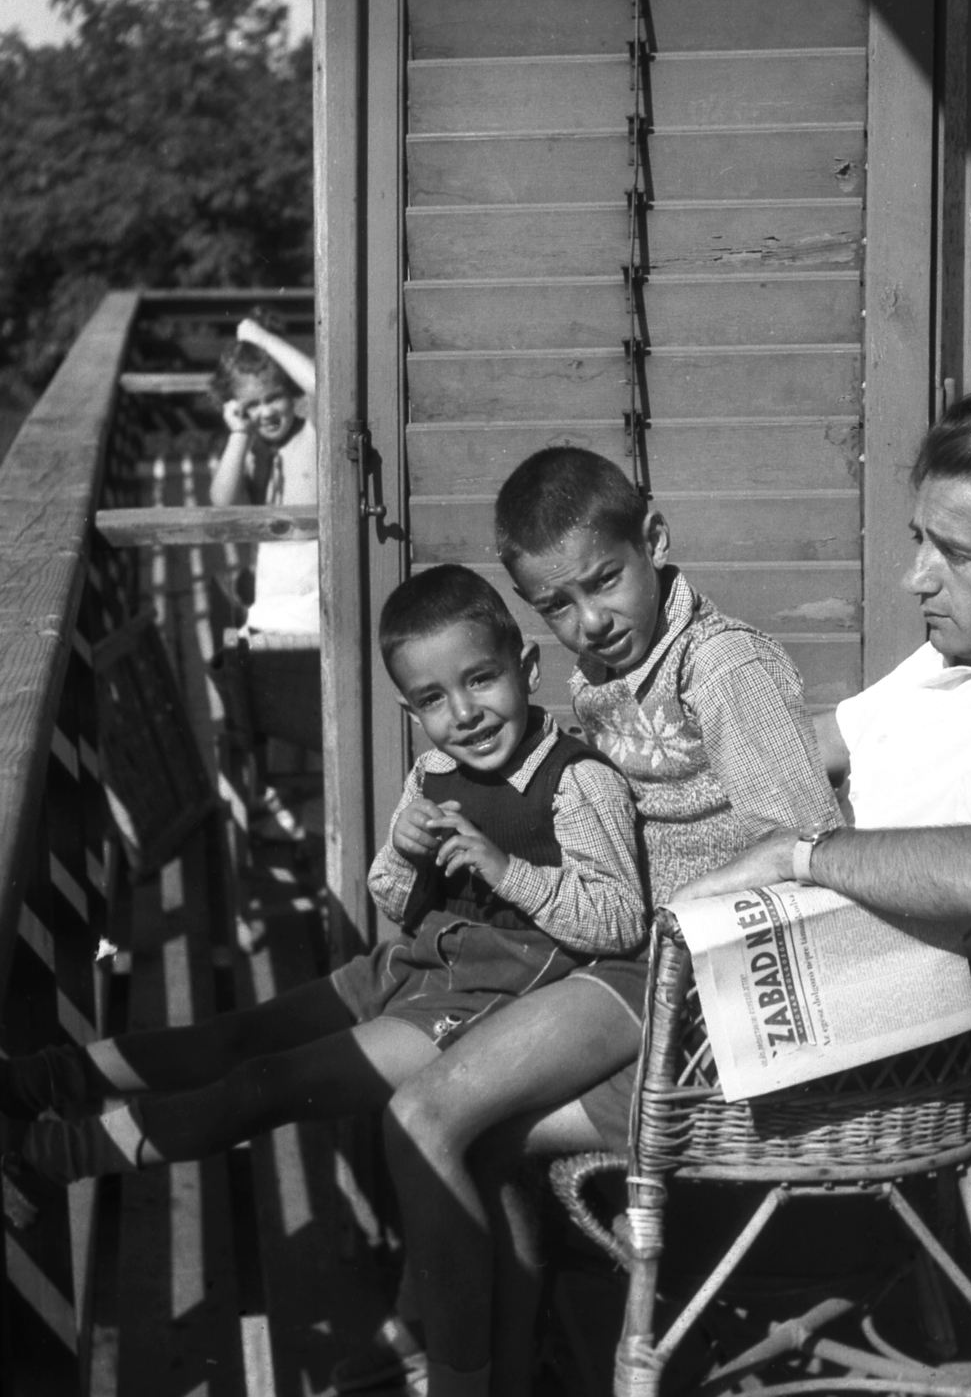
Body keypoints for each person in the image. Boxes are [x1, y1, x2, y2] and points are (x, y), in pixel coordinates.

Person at [361, 446, 843, 1397]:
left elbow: (811, 845)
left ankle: (463, 1366)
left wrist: (682, 926)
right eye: (556, 606)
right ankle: (498, 1360)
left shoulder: (724, 668)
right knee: (453, 1116)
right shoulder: (597, 676)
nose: (589, 622)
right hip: (629, 966)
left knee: (429, 1115)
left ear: (654, 541)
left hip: (710, 999)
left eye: (604, 583)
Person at [0, 567, 645, 1223]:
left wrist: (506, 870)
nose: (464, 713)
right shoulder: (435, 771)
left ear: (526, 667)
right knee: (239, 1035)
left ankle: (49, 1156)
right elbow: (395, 901)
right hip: (410, 970)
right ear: (411, 711)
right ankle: (32, 1081)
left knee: (268, 1085)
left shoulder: (576, 781)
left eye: (480, 679)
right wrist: (403, 850)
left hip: (491, 1000)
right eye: (433, 699)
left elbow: (619, 921)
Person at [673, 390, 971, 929]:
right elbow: (805, 749)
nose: (915, 578)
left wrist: (796, 854)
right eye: (921, 541)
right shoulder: (951, 658)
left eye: (956, 555)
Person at [208, 312, 320, 635]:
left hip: (315, 580)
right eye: (252, 405)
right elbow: (224, 503)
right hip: (273, 584)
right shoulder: (246, 450)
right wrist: (240, 434)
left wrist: (264, 339)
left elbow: (320, 384)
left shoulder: (312, 432)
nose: (266, 412)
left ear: (290, 395)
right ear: (236, 408)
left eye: (274, 398)